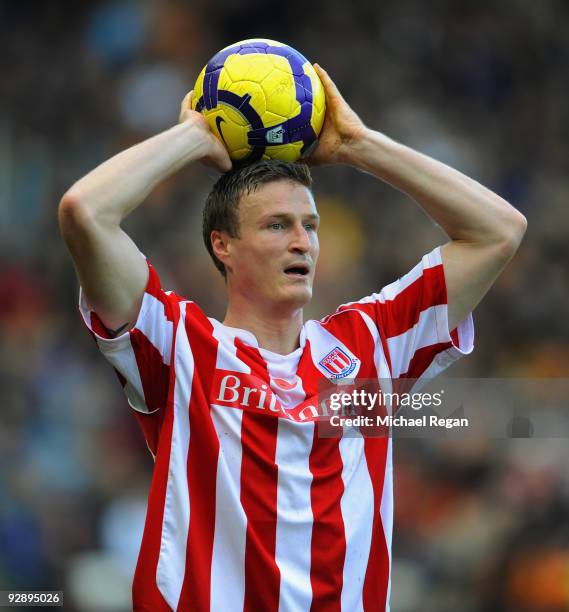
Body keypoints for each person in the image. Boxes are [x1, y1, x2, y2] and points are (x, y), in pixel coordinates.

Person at [58, 63, 526, 611]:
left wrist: (360, 144)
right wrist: (194, 136)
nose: (301, 242)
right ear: (222, 246)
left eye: (310, 225)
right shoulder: (180, 345)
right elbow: (84, 212)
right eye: (276, 225)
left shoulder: (369, 344)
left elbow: (500, 231)